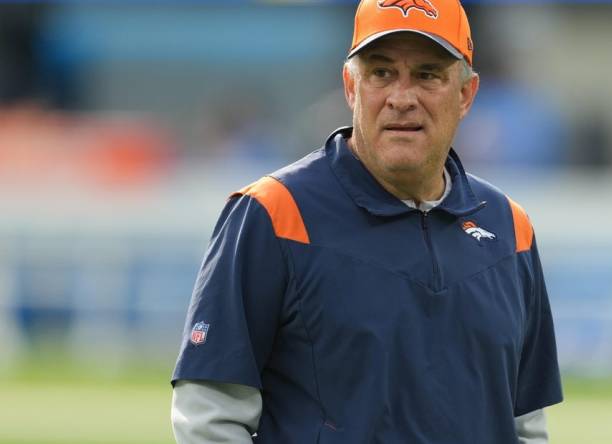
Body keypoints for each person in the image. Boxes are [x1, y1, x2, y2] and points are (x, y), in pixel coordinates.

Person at [171, 0, 563, 442]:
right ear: (351, 87)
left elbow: (524, 425)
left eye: (427, 75)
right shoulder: (274, 214)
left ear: (466, 94)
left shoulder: (510, 230)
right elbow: (210, 415)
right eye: (381, 73)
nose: (401, 98)